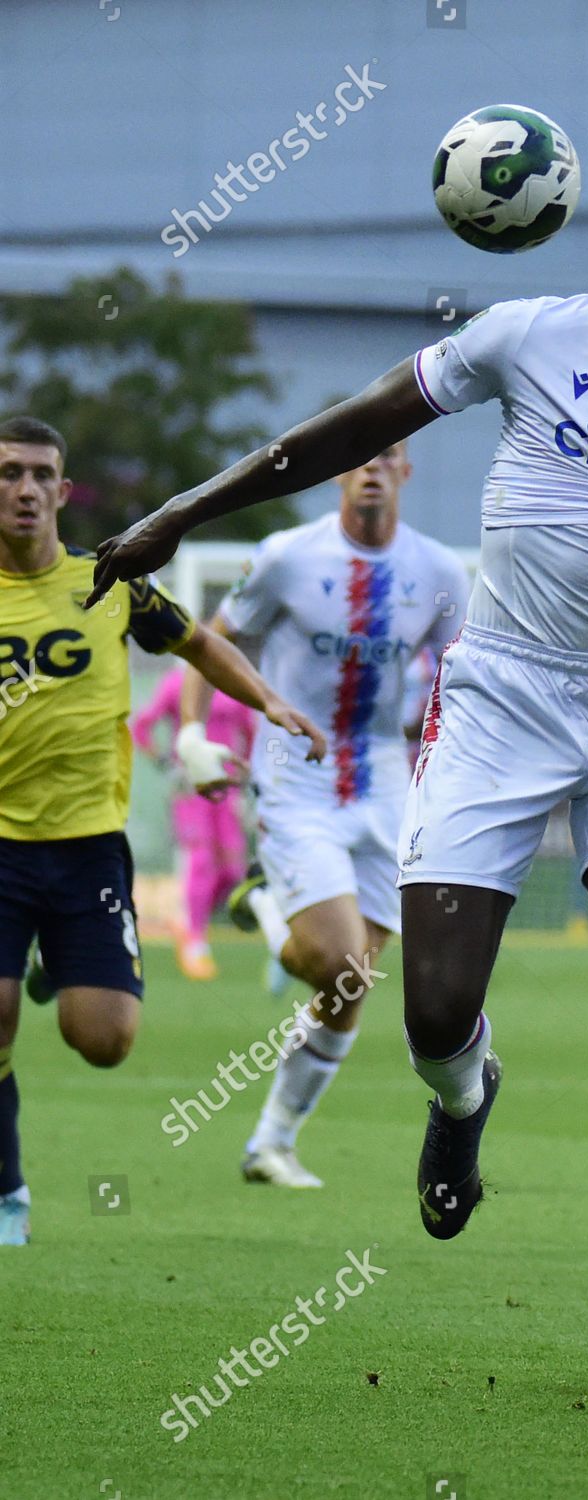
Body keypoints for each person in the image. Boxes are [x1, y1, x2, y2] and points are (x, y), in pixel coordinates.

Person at [86, 176, 588, 1395]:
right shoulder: (529, 332)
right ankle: (464, 1100)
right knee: (430, 1012)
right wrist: (176, 512)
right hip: (500, 694)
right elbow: (347, 428)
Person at [0, 415, 325, 1247]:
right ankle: (8, 1193)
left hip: (86, 849)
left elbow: (197, 642)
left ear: (64, 492)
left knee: (103, 1040)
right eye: (8, 473)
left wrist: (268, 703)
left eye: (41, 475)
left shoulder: (107, 583)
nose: (25, 489)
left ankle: (51, 964)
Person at [179, 441, 469, 1190]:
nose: (372, 467)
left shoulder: (437, 572)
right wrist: (191, 733)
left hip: (383, 782)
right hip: (293, 771)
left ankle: (271, 1143)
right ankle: (275, 913)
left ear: (408, 470)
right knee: (339, 959)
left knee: (349, 985)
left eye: (390, 455)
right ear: (341, 471)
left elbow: (459, 675)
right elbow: (208, 639)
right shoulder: (285, 556)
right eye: (359, 457)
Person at [130, 663, 255, 980]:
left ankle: (188, 926)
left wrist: (245, 771)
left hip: (225, 790)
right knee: (200, 860)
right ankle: (196, 943)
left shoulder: (231, 678)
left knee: (232, 871)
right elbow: (141, 725)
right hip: (190, 788)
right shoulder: (176, 683)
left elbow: (250, 731)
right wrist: (163, 761)